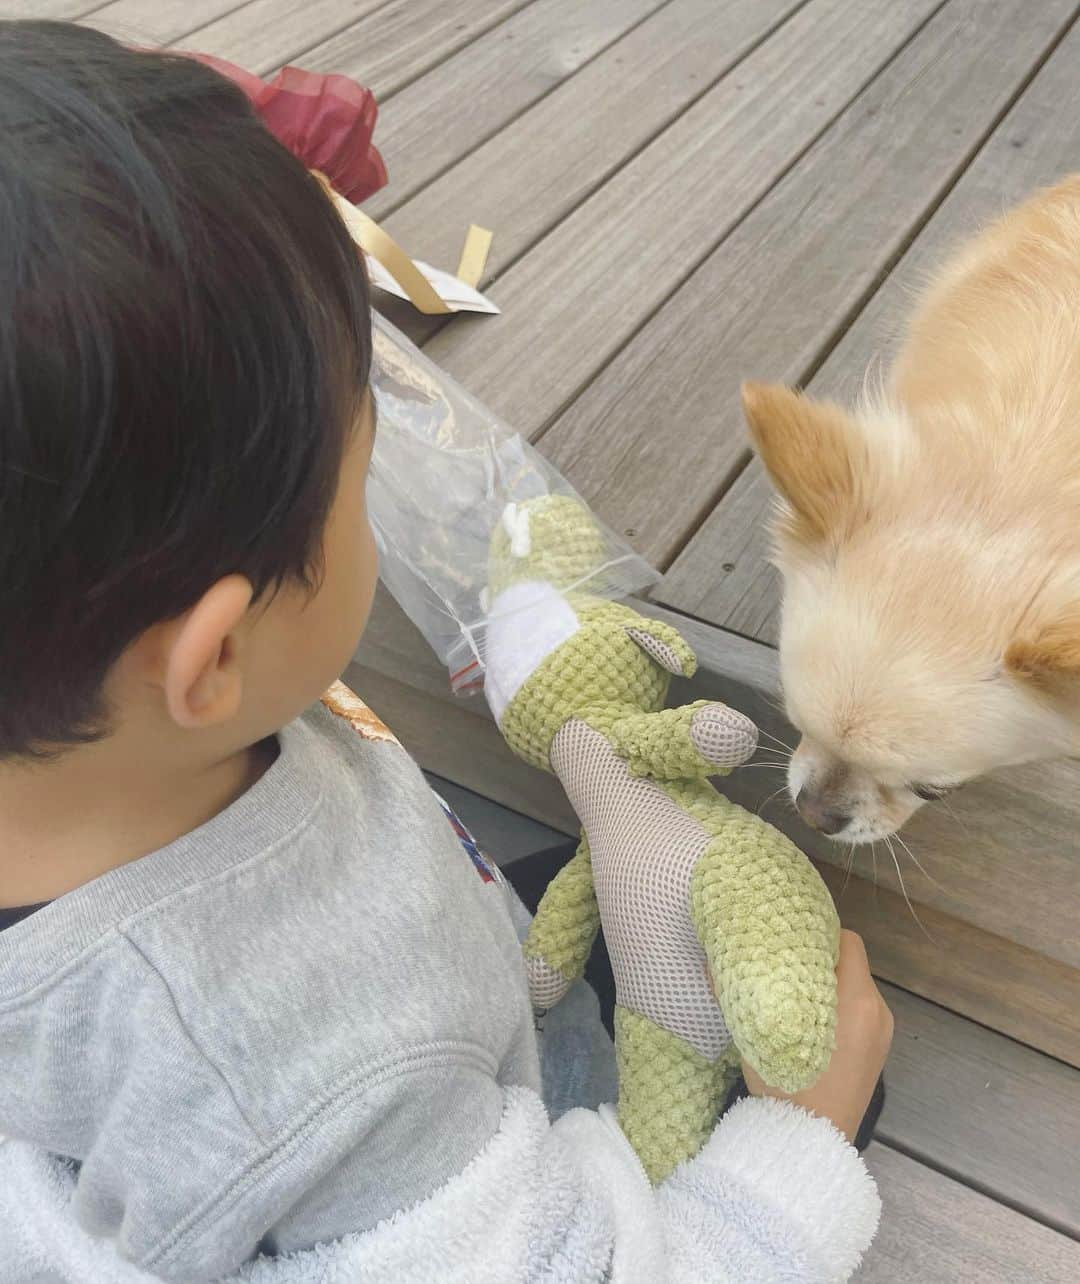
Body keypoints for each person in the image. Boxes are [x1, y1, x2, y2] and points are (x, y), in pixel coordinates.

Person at [0, 21, 893, 1283]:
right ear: (212, 661)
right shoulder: (325, 1077)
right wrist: (794, 1159)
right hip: (476, 1176)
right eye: (358, 484)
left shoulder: (107, 753)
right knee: (838, 1078)